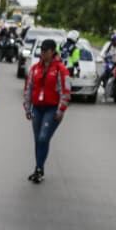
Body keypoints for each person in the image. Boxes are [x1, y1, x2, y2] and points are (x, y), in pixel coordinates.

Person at [22, 38, 70, 184]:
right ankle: (39, 169)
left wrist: (61, 109)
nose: (42, 53)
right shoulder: (35, 68)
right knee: (38, 140)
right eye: (41, 50)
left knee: (43, 138)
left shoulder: (61, 69)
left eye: (45, 51)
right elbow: (28, 88)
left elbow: (66, 91)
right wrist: (27, 107)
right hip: (37, 108)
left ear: (52, 51)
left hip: (52, 109)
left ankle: (39, 168)